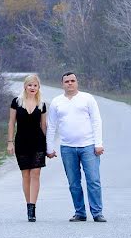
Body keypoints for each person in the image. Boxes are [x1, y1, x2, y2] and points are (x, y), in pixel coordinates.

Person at [46, 71, 106, 222]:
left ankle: (97, 212)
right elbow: (51, 125)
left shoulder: (87, 98)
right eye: (67, 81)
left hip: (88, 146)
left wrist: (98, 144)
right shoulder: (56, 102)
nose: (70, 83)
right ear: (63, 84)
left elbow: (96, 121)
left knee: (93, 180)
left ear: (77, 82)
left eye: (73, 81)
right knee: (74, 182)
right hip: (67, 147)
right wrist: (49, 147)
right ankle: (80, 212)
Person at [7, 74, 48, 222]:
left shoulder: (42, 104)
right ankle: (28, 206)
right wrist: (9, 142)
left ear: (38, 87)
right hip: (22, 142)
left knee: (35, 173)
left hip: (38, 142)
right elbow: (11, 123)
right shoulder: (16, 102)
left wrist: (48, 146)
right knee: (25, 175)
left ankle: (33, 207)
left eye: (35, 85)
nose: (32, 88)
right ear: (25, 86)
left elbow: (44, 126)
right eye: (30, 85)